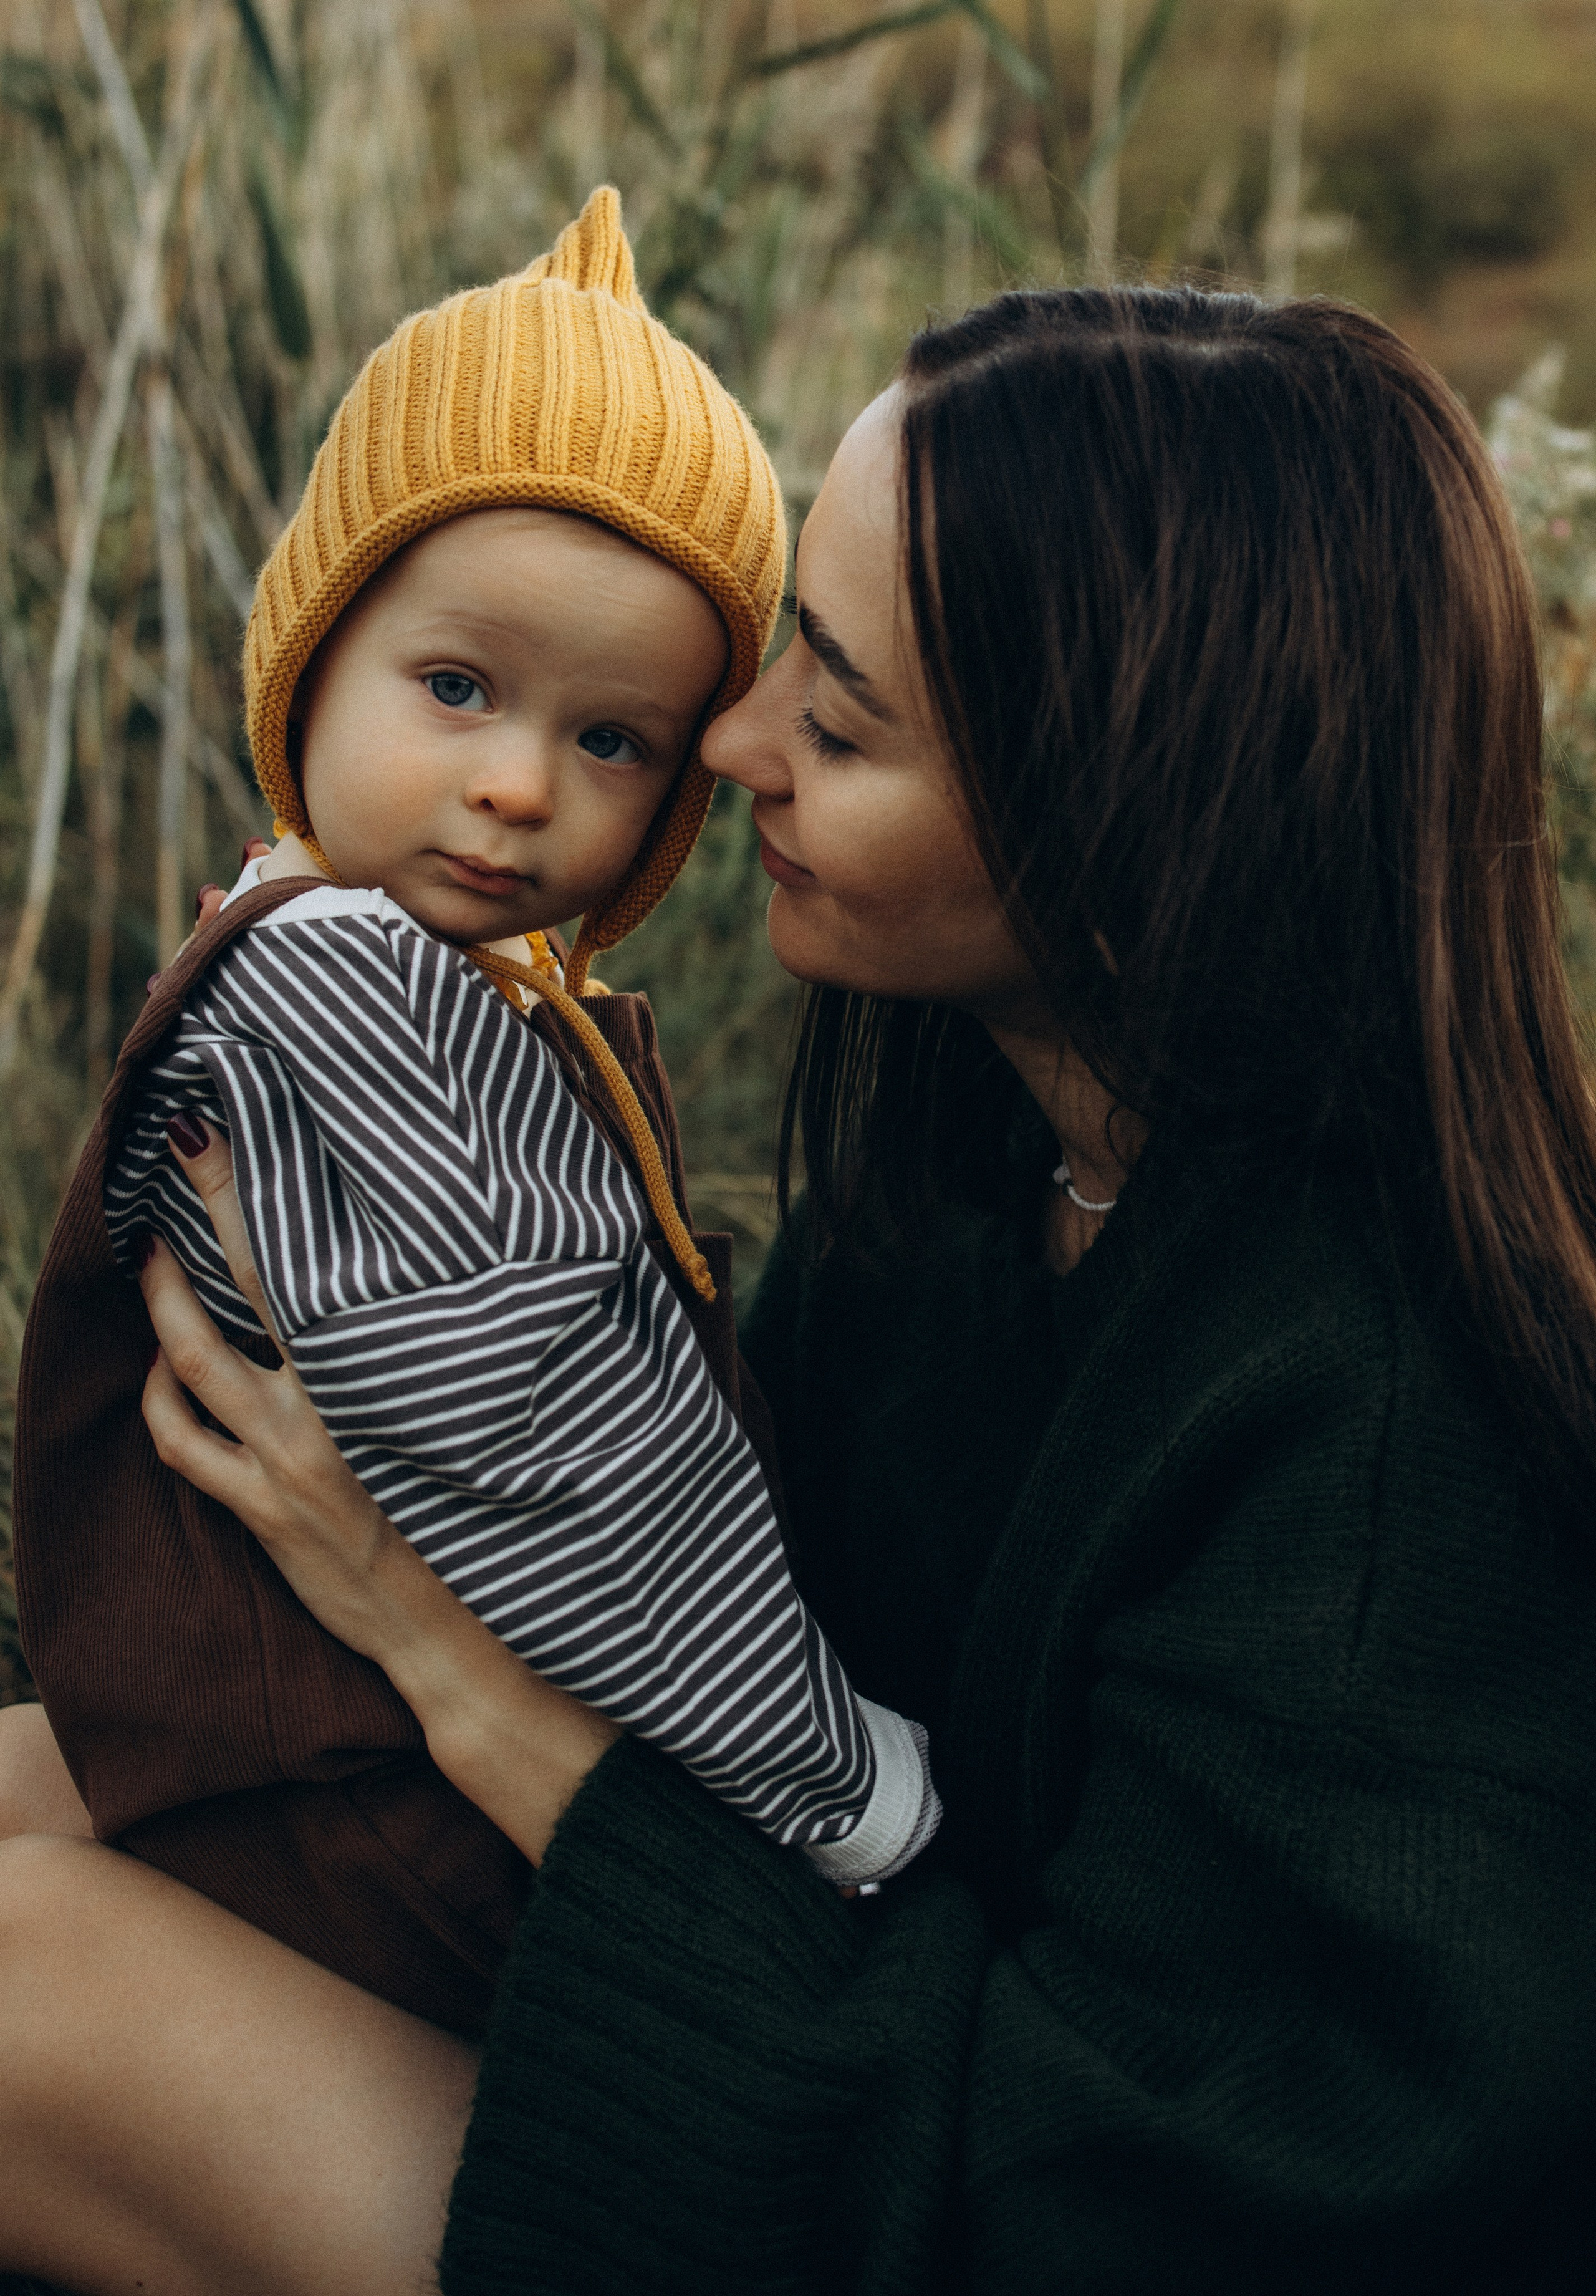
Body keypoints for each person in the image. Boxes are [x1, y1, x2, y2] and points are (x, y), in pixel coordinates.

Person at [3, 282, 1595, 2295]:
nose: (724, 745)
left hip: (920, 2195)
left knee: (27, 2005)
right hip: (799, 1991)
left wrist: (447, 1662)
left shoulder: (1389, 1458)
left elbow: (1136, 2203)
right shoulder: (984, 1163)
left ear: (1119, 831)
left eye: (835, 714)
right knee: (30, 1774)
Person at [2, 188, 935, 2044]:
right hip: (385, 1808)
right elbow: (561, 1445)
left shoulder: (411, 966)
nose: (516, 787)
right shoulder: (353, 993)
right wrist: (830, 1776)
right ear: (311, 650)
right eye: (455, 688)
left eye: (613, 742)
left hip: (327, 1746)